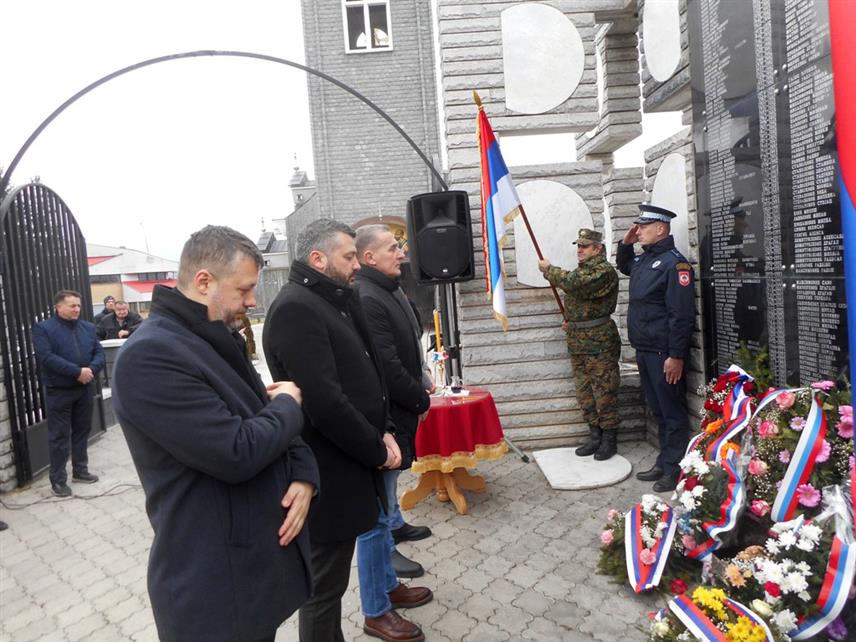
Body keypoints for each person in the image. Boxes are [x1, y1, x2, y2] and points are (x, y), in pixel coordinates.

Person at [112, 226, 318, 642]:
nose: (251, 301)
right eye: (243, 289)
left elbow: (264, 417)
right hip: (215, 588)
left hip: (253, 574)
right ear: (204, 281)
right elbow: (236, 450)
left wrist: (303, 474)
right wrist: (289, 405)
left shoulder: (213, 337)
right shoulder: (151, 355)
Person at [263, 219, 430, 642]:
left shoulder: (338, 297)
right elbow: (324, 402)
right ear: (318, 259)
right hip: (327, 471)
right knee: (324, 586)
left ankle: (383, 595)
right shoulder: (295, 309)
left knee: (342, 570)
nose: (357, 264)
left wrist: (387, 427)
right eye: (349, 256)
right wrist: (376, 448)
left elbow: (371, 374)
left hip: (357, 458)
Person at [354, 225, 435, 591]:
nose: (401, 252)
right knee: (384, 487)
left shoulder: (389, 286)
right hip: (392, 408)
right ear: (369, 257)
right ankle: (386, 550)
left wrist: (424, 373)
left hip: (404, 401)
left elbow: (409, 342)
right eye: (392, 248)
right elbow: (386, 364)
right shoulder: (368, 296)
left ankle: (396, 524)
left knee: (394, 479)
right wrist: (418, 397)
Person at [616, 204, 695, 492]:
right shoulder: (645, 260)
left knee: (672, 411)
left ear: (661, 229)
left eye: (643, 227)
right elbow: (625, 266)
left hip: (664, 352)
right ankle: (665, 460)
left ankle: (675, 469)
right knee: (659, 411)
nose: (638, 231)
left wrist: (676, 355)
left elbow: (681, 314)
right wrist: (625, 244)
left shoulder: (676, 265)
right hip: (645, 348)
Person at [538, 228, 621, 460]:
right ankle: (594, 435)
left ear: (598, 249)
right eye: (578, 246)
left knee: (604, 391)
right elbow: (580, 300)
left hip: (599, 342)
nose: (580, 250)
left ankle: (609, 439)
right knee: (585, 392)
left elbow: (575, 284)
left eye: (584, 246)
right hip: (578, 340)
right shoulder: (584, 269)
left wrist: (549, 270)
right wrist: (572, 322)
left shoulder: (603, 271)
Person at [33, 290, 105, 497]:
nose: (76, 309)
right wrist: (77, 372)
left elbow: (98, 352)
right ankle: (58, 480)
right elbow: (46, 357)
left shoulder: (88, 328)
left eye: (78, 306)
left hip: (84, 388)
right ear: (58, 307)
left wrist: (90, 370)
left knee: (82, 430)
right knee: (59, 436)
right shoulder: (44, 329)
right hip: (59, 391)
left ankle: (80, 471)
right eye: (72, 305)